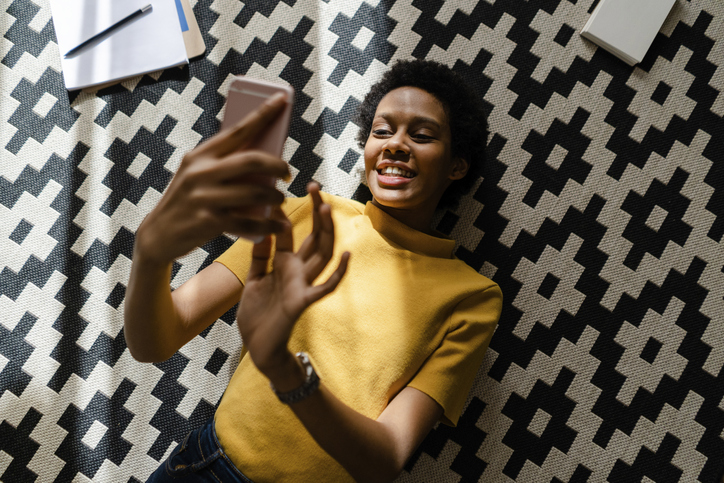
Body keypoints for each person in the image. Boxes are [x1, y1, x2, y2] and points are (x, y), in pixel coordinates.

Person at [125, 59, 503, 483]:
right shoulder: (306, 212)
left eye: (421, 135)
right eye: (382, 131)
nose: (395, 144)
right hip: (204, 468)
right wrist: (150, 257)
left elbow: (385, 460)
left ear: (457, 165)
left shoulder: (473, 297)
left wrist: (285, 369)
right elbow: (155, 343)